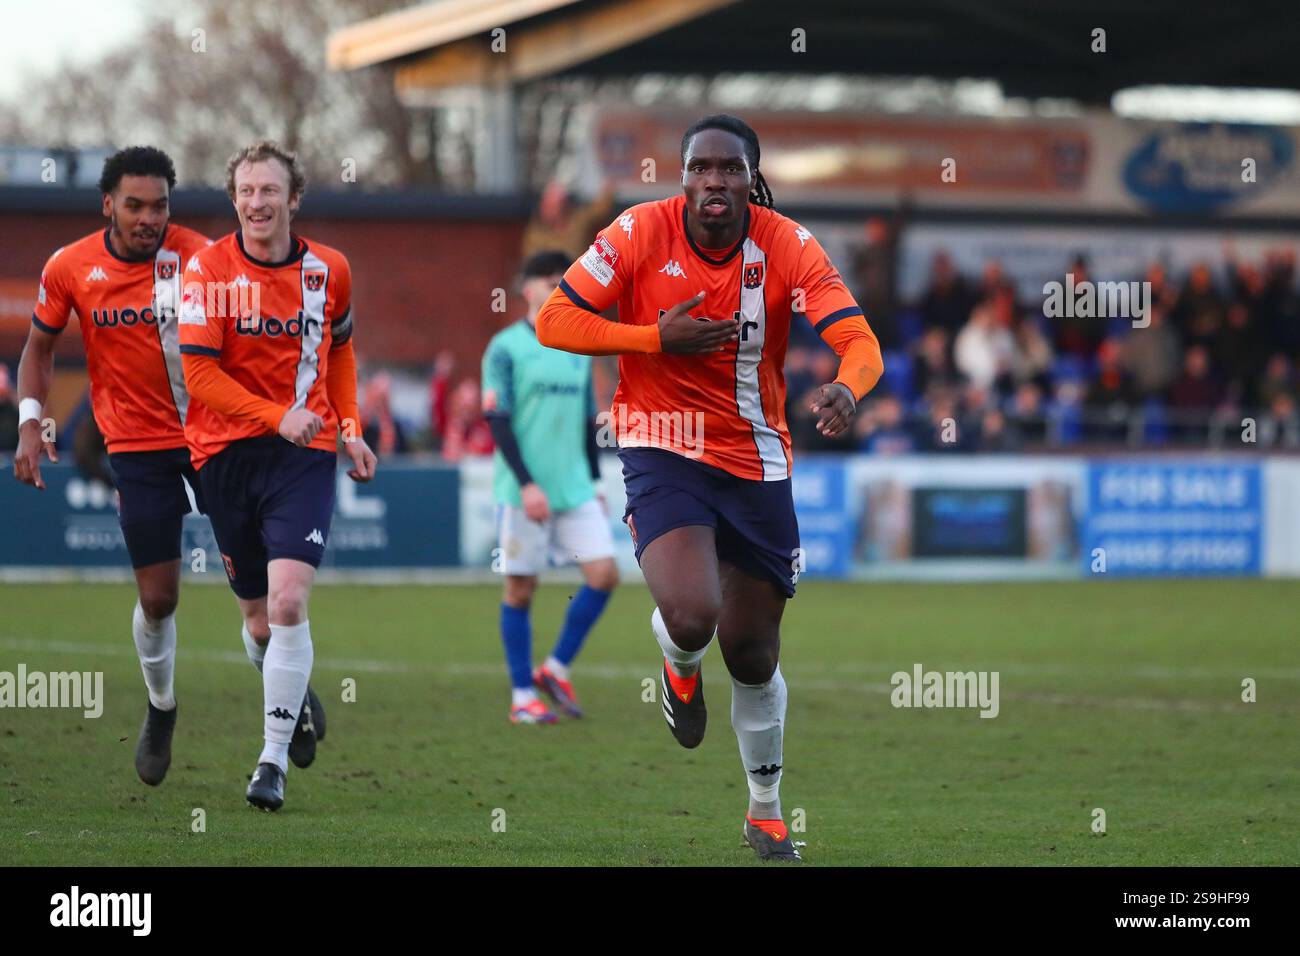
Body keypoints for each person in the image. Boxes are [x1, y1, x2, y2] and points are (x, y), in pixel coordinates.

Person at [536, 114, 883, 861]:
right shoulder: (636, 232)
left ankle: (765, 810)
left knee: (753, 652)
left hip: (757, 456)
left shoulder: (788, 245)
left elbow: (858, 340)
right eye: (701, 168)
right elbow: (554, 319)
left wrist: (850, 390)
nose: (715, 181)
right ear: (683, 177)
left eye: (731, 169)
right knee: (693, 615)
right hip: (661, 445)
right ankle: (678, 663)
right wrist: (654, 337)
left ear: (751, 180)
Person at [178, 141, 377, 811]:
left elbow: (341, 352)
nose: (256, 202)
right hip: (224, 456)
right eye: (246, 191)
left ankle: (270, 762)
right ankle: (292, 695)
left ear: (294, 199)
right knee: (261, 623)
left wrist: (348, 429)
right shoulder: (206, 270)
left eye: (269, 191)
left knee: (290, 602)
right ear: (233, 198)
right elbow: (200, 376)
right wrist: (273, 413)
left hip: (304, 451)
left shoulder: (332, 271)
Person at [11, 146, 211, 787]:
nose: (149, 217)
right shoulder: (69, 266)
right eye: (135, 205)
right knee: (159, 598)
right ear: (109, 206)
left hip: (214, 435)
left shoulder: (202, 259)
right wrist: (31, 424)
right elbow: (38, 350)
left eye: (159, 205)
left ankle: (286, 690)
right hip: (136, 444)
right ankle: (162, 707)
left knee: (263, 586)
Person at [481, 250, 620, 724]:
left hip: (575, 488)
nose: (556, 286)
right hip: (525, 491)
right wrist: (526, 484)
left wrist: (596, 482)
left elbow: (587, 423)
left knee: (604, 575)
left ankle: (555, 668)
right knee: (521, 589)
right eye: (548, 280)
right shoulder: (504, 348)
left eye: (563, 280)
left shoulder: (578, 345)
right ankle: (522, 697)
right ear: (527, 288)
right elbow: (497, 421)